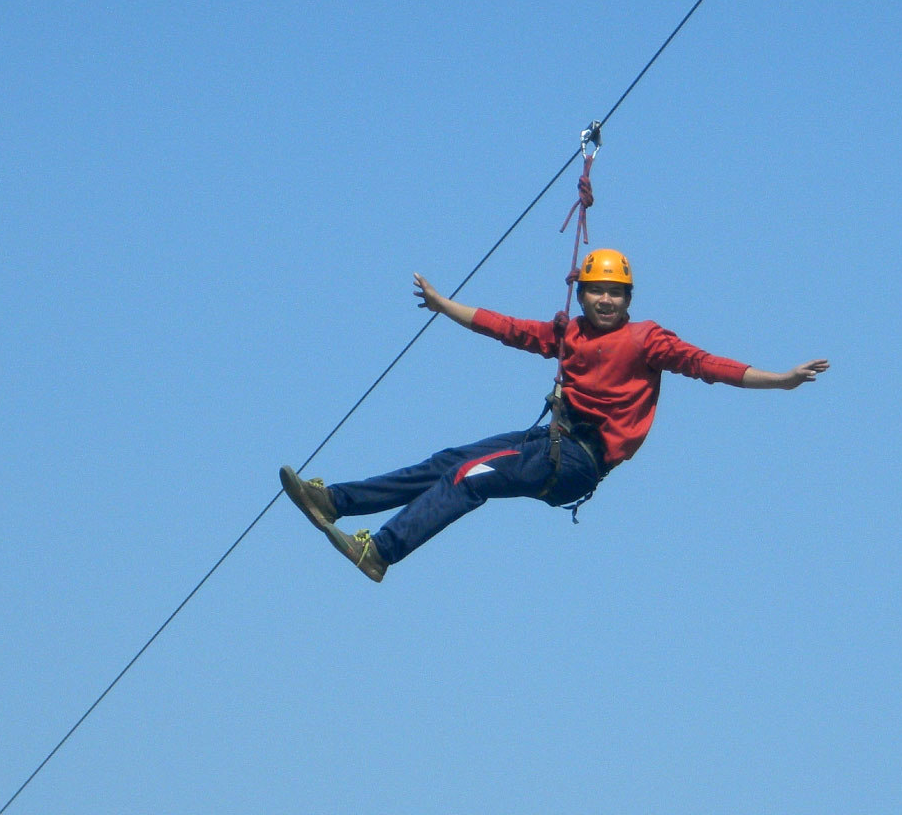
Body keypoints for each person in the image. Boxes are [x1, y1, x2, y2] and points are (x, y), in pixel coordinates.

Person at [280, 248, 830, 581]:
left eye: (615, 293)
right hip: (549, 440)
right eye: (596, 291)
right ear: (583, 293)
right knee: (450, 460)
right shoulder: (569, 333)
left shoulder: (647, 341)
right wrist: (445, 305)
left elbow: (707, 365)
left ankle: (380, 553)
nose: (605, 301)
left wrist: (779, 379)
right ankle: (335, 500)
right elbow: (508, 329)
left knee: (468, 479)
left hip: (579, 461)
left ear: (629, 298)